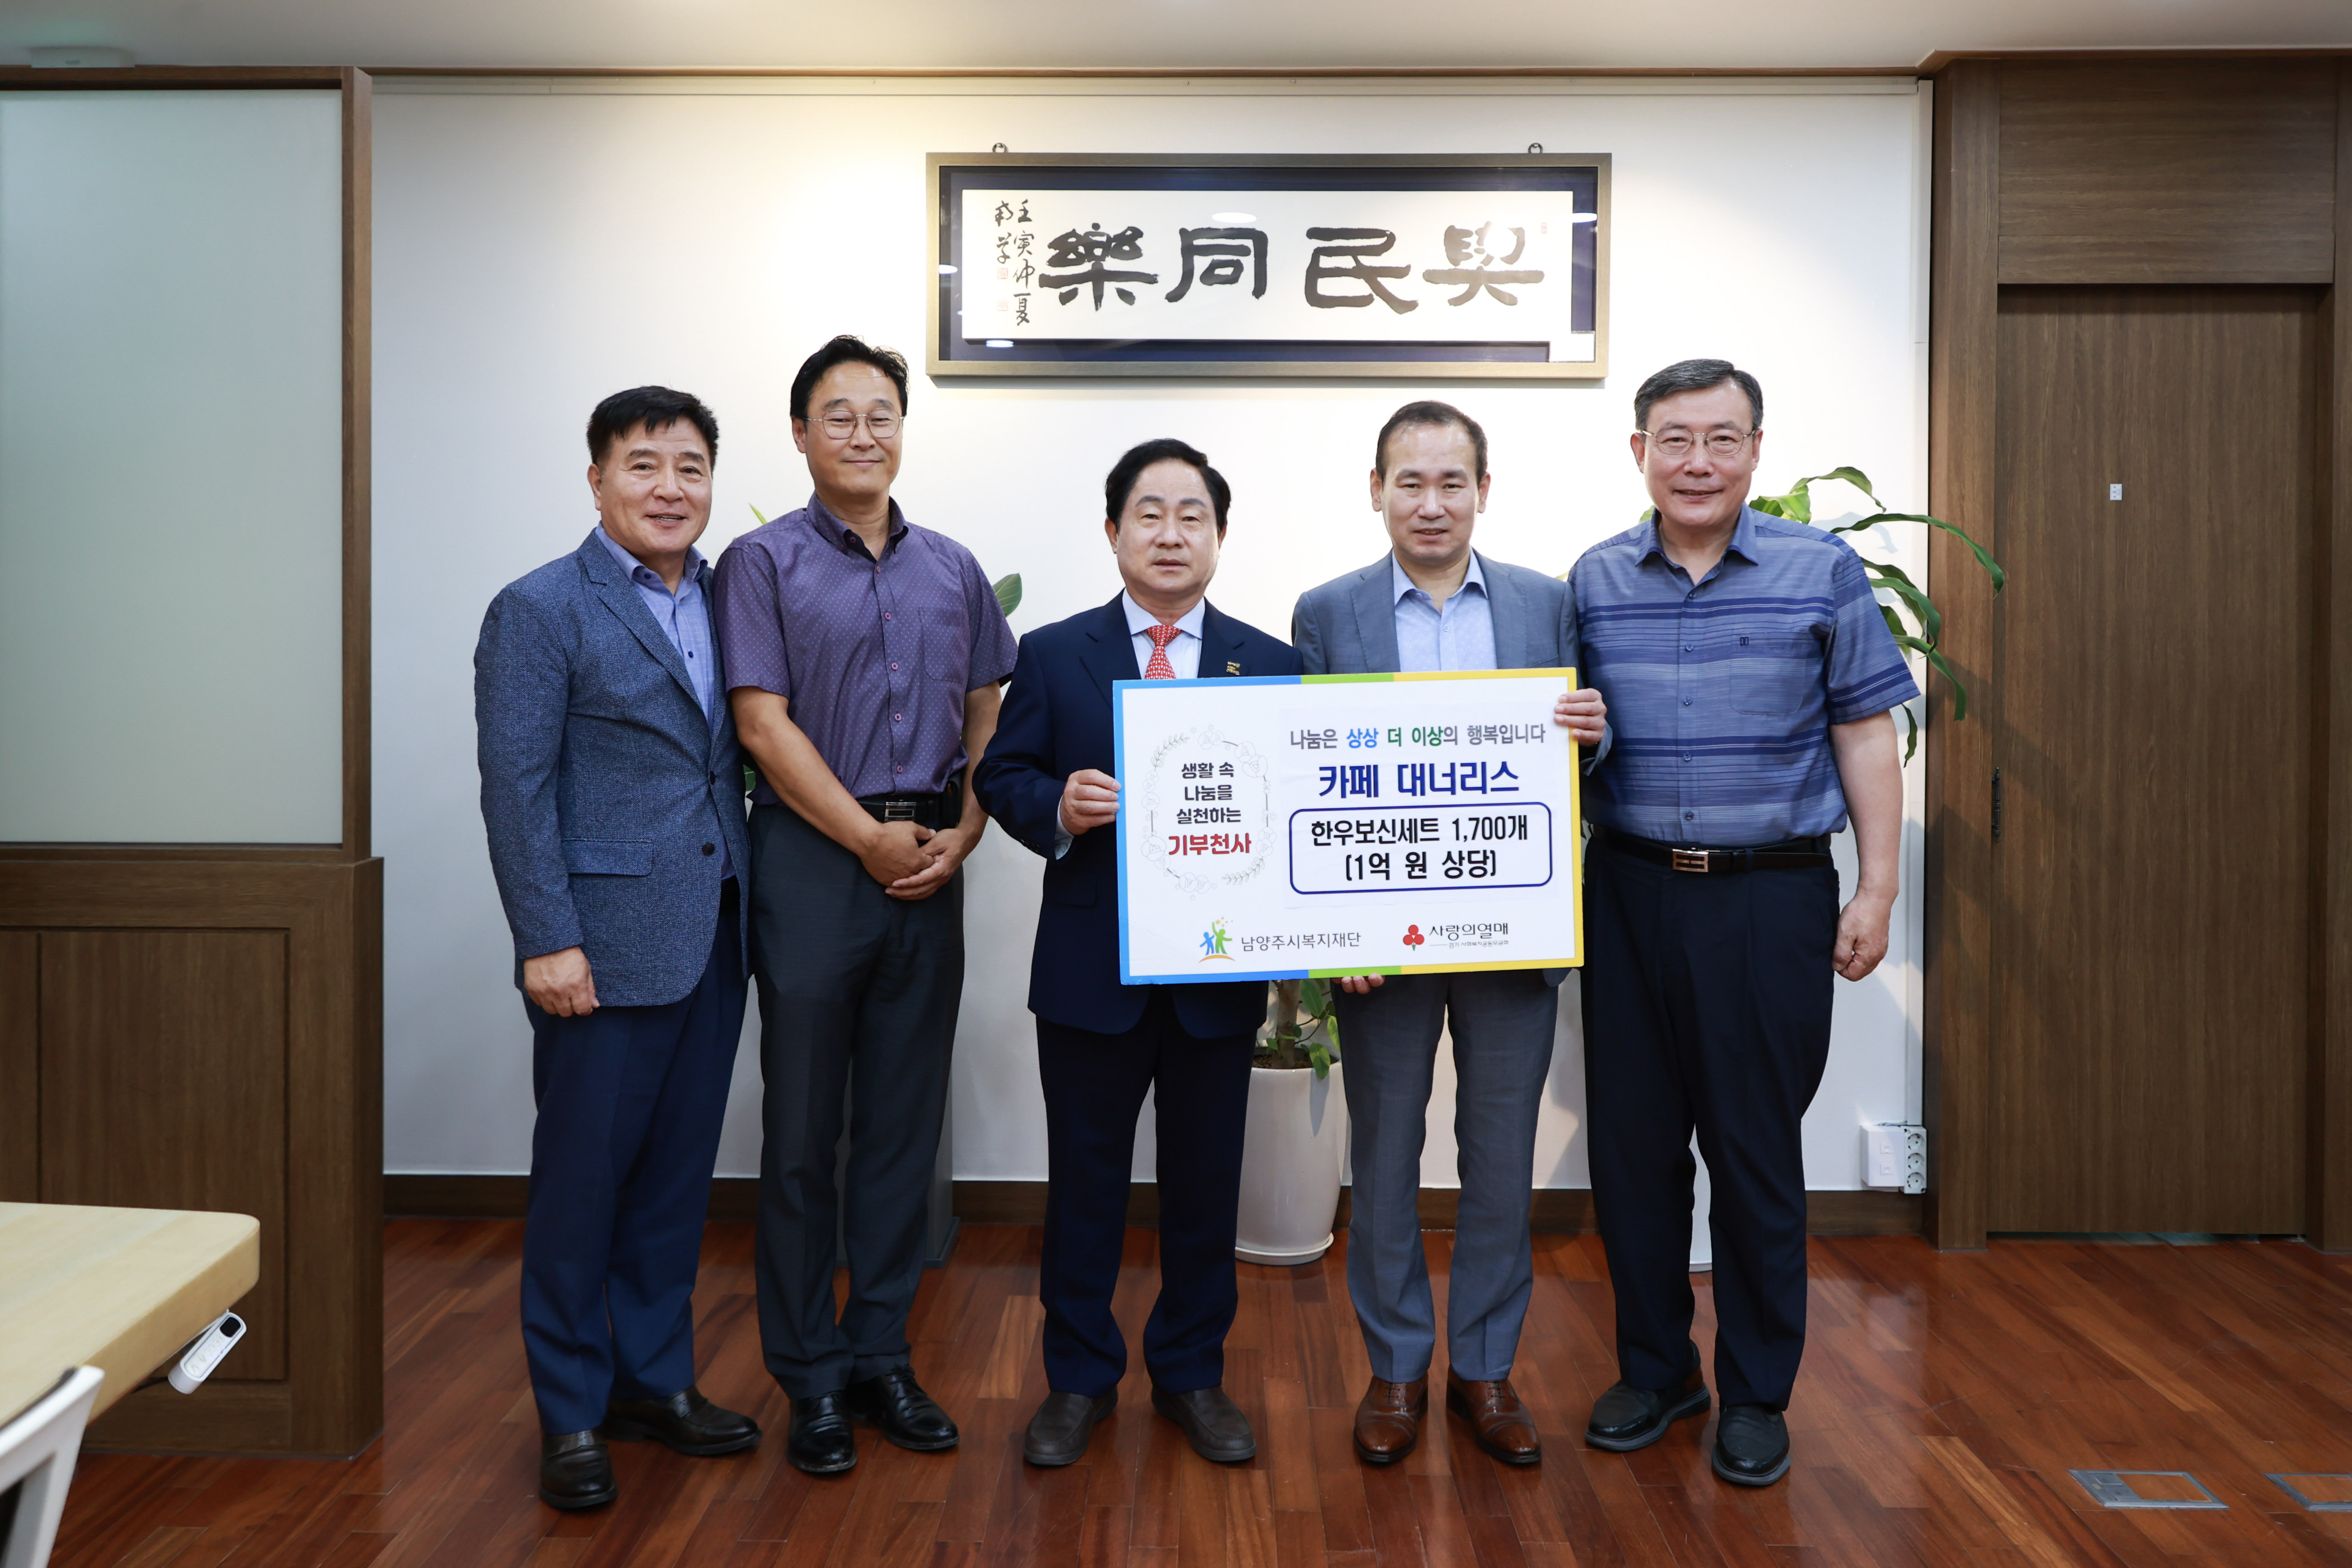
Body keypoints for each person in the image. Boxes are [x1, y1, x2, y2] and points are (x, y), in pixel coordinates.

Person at [1570, 359, 1915, 1488]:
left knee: (1755, 1148)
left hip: (1769, 897)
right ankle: (1658, 1369)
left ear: (1757, 450)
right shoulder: (1595, 579)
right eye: (1675, 440)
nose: (1698, 462)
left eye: (1722, 439)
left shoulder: (1821, 570)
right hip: (1627, 891)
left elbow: (1865, 731)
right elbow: (1561, 741)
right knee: (1633, 1152)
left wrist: (1877, 887)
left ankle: (1758, 1392)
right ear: (1640, 453)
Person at [713, 335, 1017, 1476]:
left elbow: (989, 707)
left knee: (900, 1127)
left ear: (903, 429)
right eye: (837, 415)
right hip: (812, 863)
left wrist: (967, 830)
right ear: (800, 434)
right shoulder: (761, 563)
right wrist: (863, 838)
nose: (861, 433)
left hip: (930, 857)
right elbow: (761, 724)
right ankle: (810, 1377)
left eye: (880, 413)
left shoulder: (953, 567)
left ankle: (881, 1353)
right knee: (802, 1134)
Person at [1290, 401, 1608, 1468]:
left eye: (1451, 482)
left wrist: (1594, 733)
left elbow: (1585, 755)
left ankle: (1484, 1369)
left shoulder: (1546, 605)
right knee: (1384, 1154)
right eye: (1410, 482)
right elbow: (1306, 773)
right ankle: (1394, 1369)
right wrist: (1334, 930)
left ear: (1484, 490)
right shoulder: (1327, 612)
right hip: (1381, 944)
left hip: (1510, 928)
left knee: (1500, 1156)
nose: (1431, 504)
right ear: (1376, 490)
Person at [973, 438, 1301, 1468]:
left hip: (1214, 974)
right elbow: (1002, 775)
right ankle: (1078, 1382)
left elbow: (1297, 811)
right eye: (1149, 514)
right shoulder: (1053, 652)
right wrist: (1057, 806)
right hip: (1091, 971)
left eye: (1191, 515)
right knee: (1085, 1188)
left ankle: (1191, 1375)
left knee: (1205, 1189)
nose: (1170, 533)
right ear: (1113, 531)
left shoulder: (1270, 662)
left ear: (1219, 535)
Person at [475, 385, 760, 1512]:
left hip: (717, 928)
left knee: (675, 1182)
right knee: (580, 1188)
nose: (670, 488)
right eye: (644, 465)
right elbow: (516, 789)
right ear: (597, 480)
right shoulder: (541, 607)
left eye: (691, 467)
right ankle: (571, 1413)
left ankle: (654, 1381)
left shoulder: (732, 599)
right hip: (598, 945)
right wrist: (548, 939)